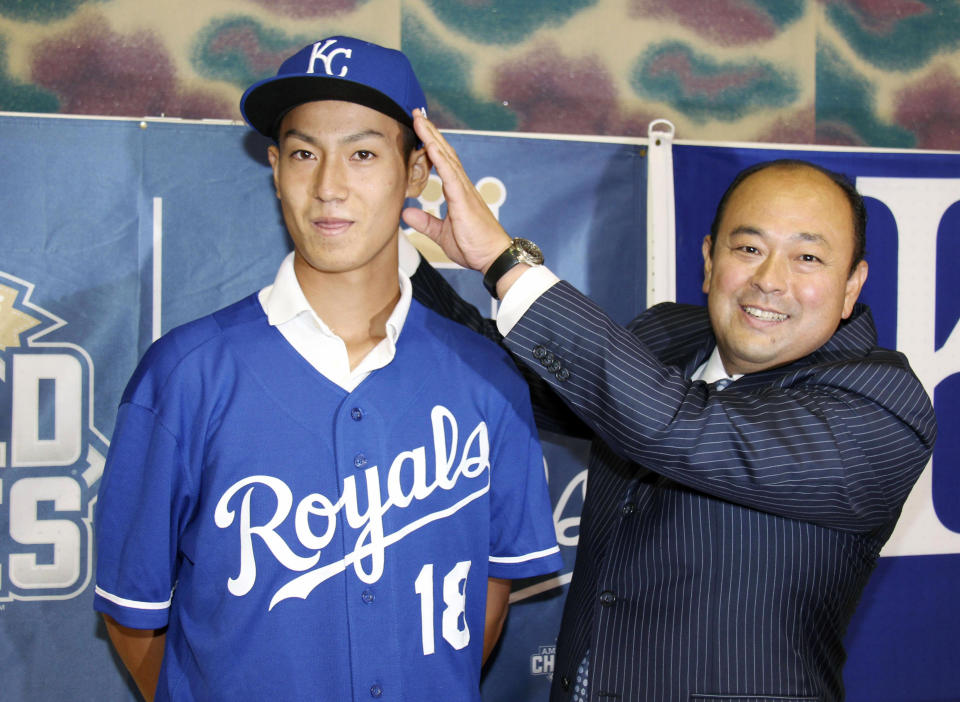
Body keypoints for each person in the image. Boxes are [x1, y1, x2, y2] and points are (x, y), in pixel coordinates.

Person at [403, 113, 937, 702]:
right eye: (749, 247)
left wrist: (506, 265)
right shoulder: (666, 336)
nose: (769, 280)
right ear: (709, 261)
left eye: (808, 259)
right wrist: (390, 254)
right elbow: (520, 380)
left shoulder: (881, 405)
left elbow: (679, 426)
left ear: (852, 286)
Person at [93, 36, 562, 702]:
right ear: (277, 169)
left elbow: (484, 599)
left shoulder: (485, 375)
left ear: (417, 172)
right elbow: (131, 613)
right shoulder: (186, 375)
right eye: (305, 154)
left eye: (364, 154)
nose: (329, 187)